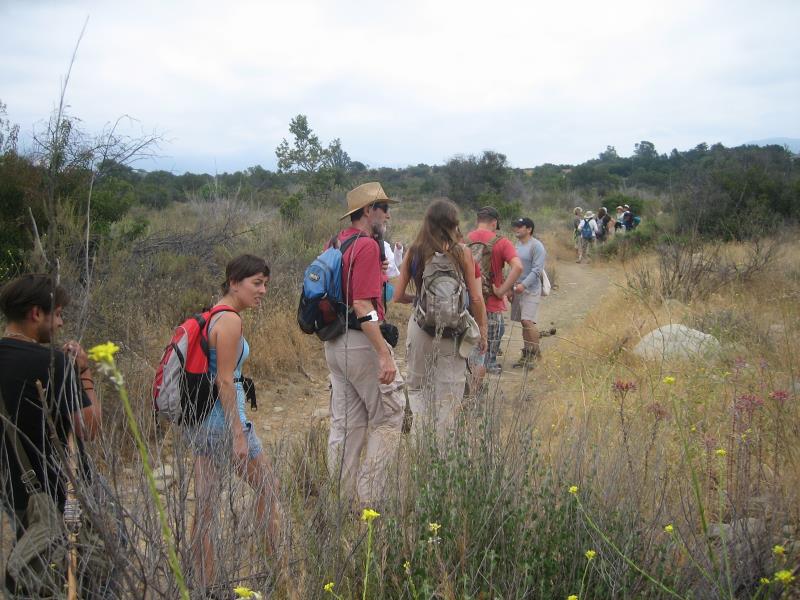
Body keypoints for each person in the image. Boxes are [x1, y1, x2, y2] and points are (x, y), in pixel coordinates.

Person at [0, 274, 102, 595]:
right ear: (36, 313)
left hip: (15, 494)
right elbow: (88, 427)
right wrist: (83, 372)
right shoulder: (52, 363)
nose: (60, 323)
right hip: (62, 491)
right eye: (56, 314)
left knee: (33, 567)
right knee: (90, 570)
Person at [186, 254, 281, 594]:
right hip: (222, 425)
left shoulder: (213, 315)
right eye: (257, 283)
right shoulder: (229, 321)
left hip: (201, 424)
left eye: (265, 284)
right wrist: (238, 434)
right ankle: (275, 570)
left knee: (205, 506)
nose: (263, 290)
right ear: (233, 283)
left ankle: (204, 584)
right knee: (269, 488)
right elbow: (225, 381)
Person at [325, 182, 405, 508]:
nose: (388, 215)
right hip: (361, 343)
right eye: (384, 208)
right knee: (389, 417)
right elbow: (361, 304)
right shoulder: (368, 246)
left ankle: (341, 504)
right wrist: (384, 353)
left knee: (346, 426)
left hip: (335, 343)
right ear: (369, 211)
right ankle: (369, 504)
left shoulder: (337, 242)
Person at [393, 199, 488, 443]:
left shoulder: (415, 251)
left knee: (418, 390)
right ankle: (443, 453)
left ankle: (420, 448)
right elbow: (476, 298)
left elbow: (398, 295)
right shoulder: (462, 252)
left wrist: (421, 300)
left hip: (421, 329)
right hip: (453, 331)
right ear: (453, 223)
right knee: (449, 395)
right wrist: (482, 330)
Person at [467, 206, 522, 379]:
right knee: (487, 351)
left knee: (467, 346)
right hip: (491, 303)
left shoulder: (464, 239)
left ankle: (469, 375)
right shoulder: (502, 242)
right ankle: (484, 377)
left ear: (478, 220)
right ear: (494, 222)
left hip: (467, 302)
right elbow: (518, 267)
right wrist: (502, 290)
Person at [509, 218, 546, 368]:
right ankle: (527, 355)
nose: (516, 229)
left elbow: (537, 270)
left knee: (527, 321)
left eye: (520, 226)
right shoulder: (517, 245)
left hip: (531, 289)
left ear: (529, 229)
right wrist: (509, 288)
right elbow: (512, 268)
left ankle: (537, 355)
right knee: (523, 323)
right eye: (516, 226)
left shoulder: (537, 246)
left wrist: (523, 285)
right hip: (517, 289)